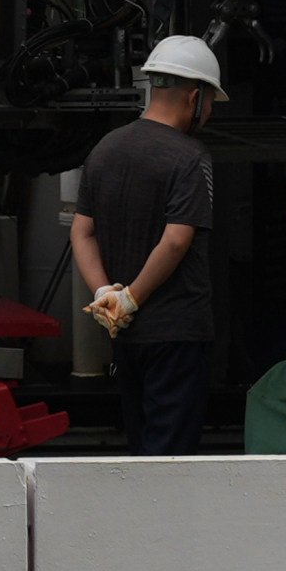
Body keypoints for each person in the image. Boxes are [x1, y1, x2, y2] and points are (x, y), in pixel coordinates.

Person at [69, 31, 227, 456]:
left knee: (140, 452)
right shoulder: (190, 157)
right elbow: (176, 240)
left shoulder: (106, 148)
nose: (210, 112)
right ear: (194, 98)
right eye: (211, 102)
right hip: (177, 334)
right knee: (170, 459)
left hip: (126, 338)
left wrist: (107, 295)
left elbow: (81, 232)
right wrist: (132, 299)